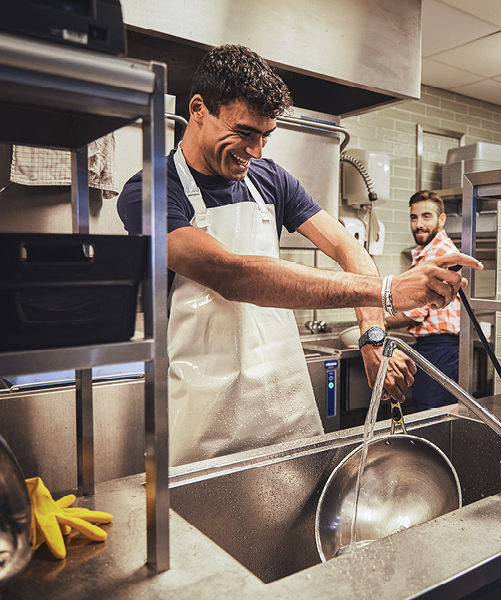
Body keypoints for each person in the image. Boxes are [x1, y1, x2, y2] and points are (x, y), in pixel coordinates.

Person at [117, 45, 481, 466]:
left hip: (285, 409)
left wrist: (373, 334)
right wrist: (387, 291)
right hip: (204, 421)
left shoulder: (271, 179)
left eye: (265, 136)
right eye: (245, 132)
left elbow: (347, 247)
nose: (256, 151)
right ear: (199, 109)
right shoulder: (150, 191)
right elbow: (231, 274)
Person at [385, 190, 462, 412]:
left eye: (426, 216)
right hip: (434, 347)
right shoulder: (426, 252)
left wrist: (381, 323)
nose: (419, 224)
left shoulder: (438, 253)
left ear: (441, 219)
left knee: (431, 413)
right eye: (414, 217)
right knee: (432, 411)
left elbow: (414, 312)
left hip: (440, 348)